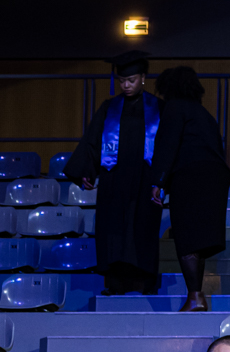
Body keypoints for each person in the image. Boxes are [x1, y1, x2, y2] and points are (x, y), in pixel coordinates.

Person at [66, 50, 163, 296]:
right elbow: (93, 140)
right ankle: (116, 283)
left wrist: (162, 179)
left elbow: (166, 145)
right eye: (122, 81)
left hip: (144, 179)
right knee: (114, 231)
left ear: (143, 78)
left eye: (131, 80)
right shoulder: (109, 107)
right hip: (114, 180)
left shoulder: (158, 108)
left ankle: (146, 281)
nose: (126, 85)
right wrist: (87, 170)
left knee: (143, 228)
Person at [147, 66, 230, 313]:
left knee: (186, 237)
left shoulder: (174, 108)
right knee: (198, 239)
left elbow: (167, 145)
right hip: (214, 176)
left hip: (190, 175)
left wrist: (158, 182)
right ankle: (197, 296)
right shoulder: (205, 114)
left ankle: (195, 296)